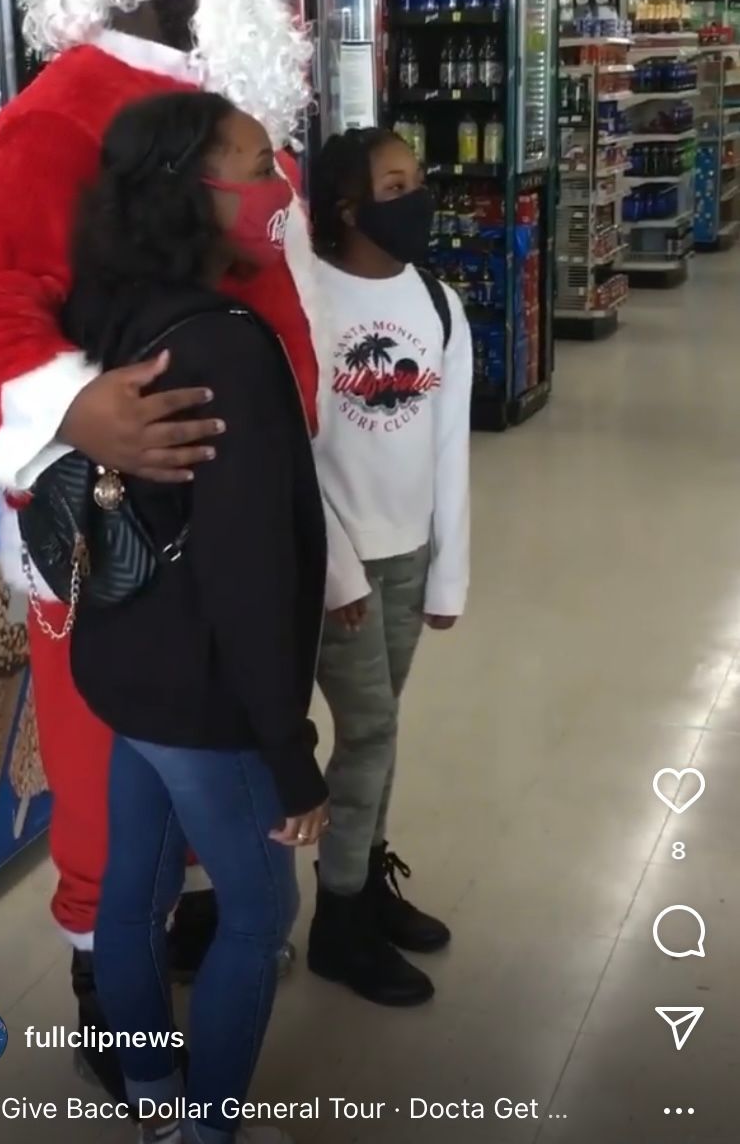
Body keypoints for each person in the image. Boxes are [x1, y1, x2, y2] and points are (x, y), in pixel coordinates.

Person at [0, 0, 318, 1101]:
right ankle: (111, 984)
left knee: (215, 736)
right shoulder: (55, 119)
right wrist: (76, 412)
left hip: (237, 500)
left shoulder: (231, 101)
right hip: (116, 520)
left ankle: (185, 918)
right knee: (117, 762)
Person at [64, 90, 328, 1144]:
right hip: (207, 692)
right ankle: (207, 1133)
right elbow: (250, 570)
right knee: (259, 912)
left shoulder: (116, 306)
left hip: (125, 660)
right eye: (257, 163)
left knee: (131, 896)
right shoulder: (229, 345)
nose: (278, 185)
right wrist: (291, 749)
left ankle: (155, 1105)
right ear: (188, 187)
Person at [306, 128, 472, 1007]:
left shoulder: (439, 305)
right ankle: (339, 924)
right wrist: (341, 577)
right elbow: (296, 456)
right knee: (367, 735)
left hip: (407, 557)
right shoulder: (304, 300)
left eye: (419, 181)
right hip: (336, 568)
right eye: (395, 184)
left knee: (381, 732)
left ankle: (364, 882)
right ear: (347, 207)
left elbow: (450, 454)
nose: (417, 198)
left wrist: (449, 576)